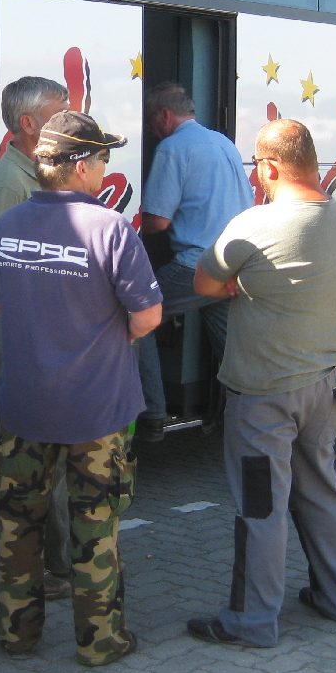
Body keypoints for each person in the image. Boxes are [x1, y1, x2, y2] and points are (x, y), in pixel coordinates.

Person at [0, 111, 161, 666]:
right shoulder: (110, 229)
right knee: (95, 523)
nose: (106, 168)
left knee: (18, 526)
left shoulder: (8, 226)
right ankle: (100, 642)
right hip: (96, 409)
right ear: (81, 166)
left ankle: (15, 634)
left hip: (22, 405)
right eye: (103, 158)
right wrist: (108, 335)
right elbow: (148, 315)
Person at [184, 119, 336, 647]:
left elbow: (204, 282)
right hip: (326, 388)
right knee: (322, 493)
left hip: (263, 397)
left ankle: (253, 621)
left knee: (261, 508)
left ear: (269, 167)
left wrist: (242, 281)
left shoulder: (255, 225)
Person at [0, 76, 75, 599]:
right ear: (28, 124)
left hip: (41, 340)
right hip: (21, 341)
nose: (69, 118)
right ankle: (24, 573)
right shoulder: (9, 184)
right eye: (59, 112)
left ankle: (55, 565)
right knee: (20, 462)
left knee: (51, 461)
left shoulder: (42, 174)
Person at [135, 82, 253, 441]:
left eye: (151, 121)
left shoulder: (172, 148)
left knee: (137, 317)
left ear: (164, 115)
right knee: (233, 348)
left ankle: (152, 414)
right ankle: (255, 415)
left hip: (195, 265)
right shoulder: (224, 143)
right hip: (234, 263)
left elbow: (158, 221)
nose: (151, 130)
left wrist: (128, 230)